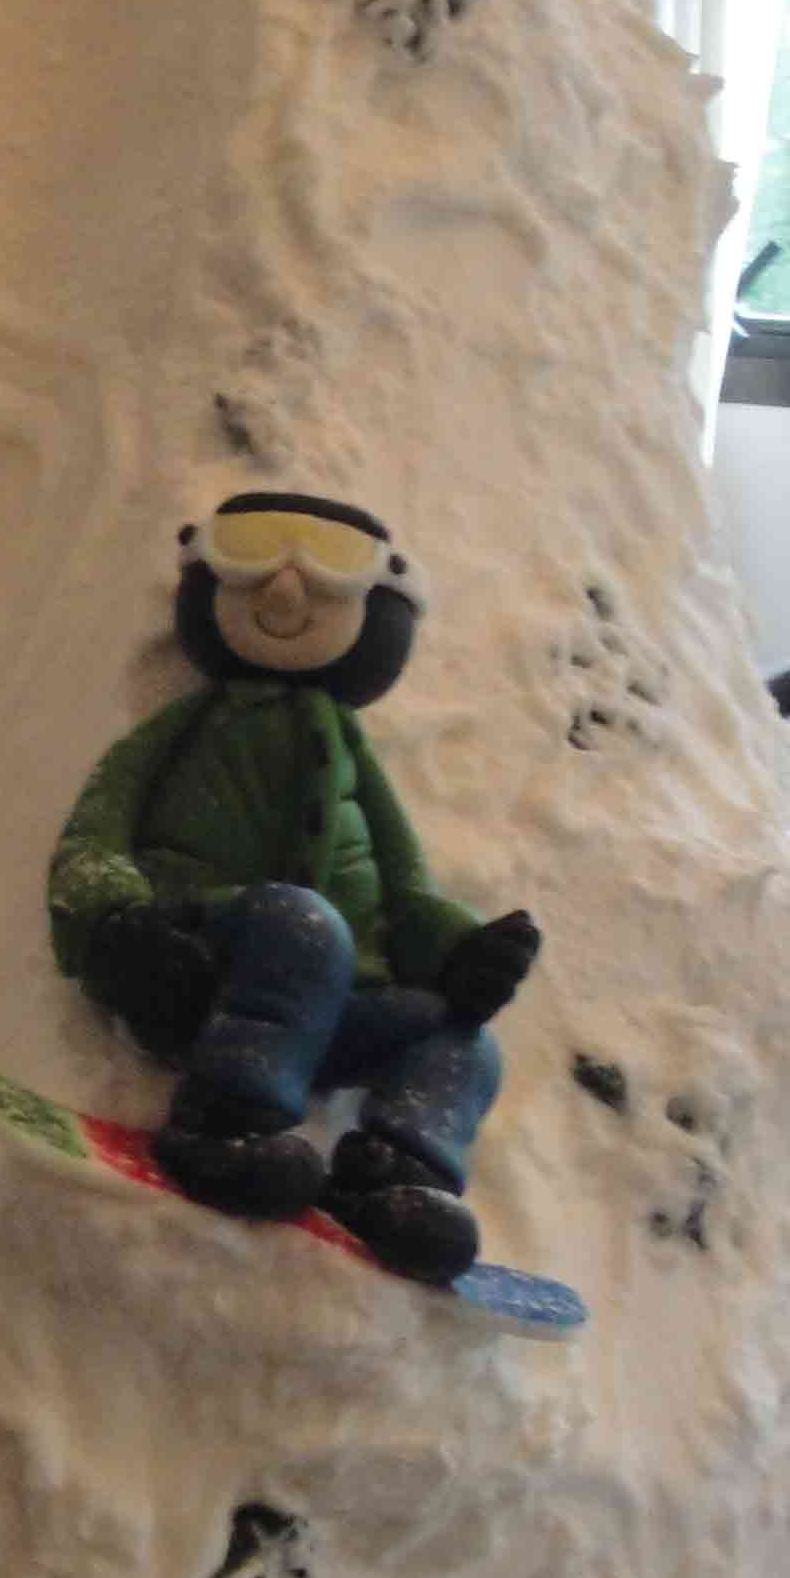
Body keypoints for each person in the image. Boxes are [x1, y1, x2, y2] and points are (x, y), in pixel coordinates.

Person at [48, 489, 541, 1281]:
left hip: (325, 1012)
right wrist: (114, 923)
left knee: (460, 1040)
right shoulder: (187, 729)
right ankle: (224, 1119)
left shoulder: (353, 756)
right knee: (300, 923)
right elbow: (95, 832)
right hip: (200, 973)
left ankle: (398, 1174)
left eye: (331, 579)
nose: (284, 593)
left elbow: (406, 890)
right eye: (251, 562)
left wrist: (458, 955)